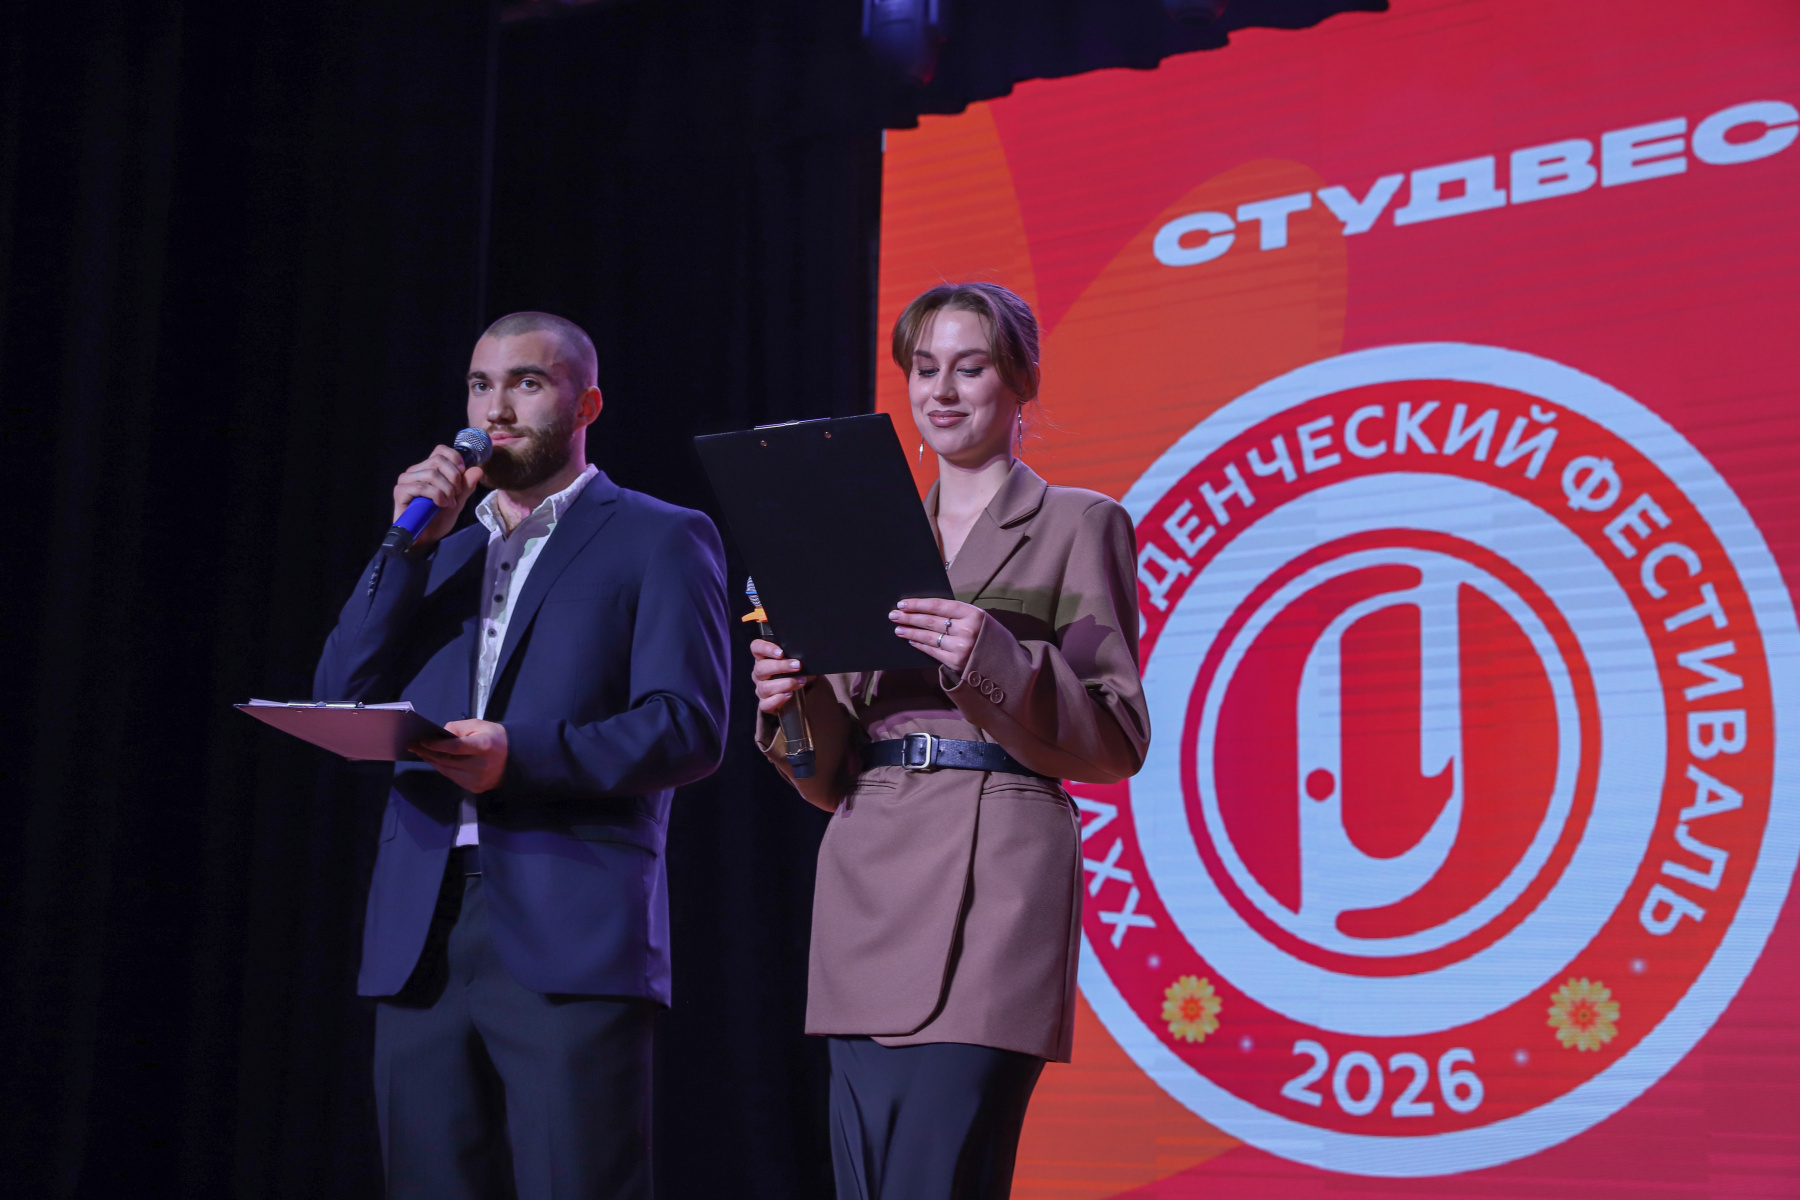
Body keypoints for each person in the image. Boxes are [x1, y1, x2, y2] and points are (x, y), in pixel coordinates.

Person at [314, 311, 731, 1200]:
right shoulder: (441, 548)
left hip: (569, 925)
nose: (494, 411)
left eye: (525, 384)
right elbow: (340, 687)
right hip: (421, 932)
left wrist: (523, 756)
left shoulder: (660, 535)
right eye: (480, 386)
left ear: (586, 405)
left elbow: (687, 726)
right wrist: (406, 546)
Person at [749, 282, 1150, 1199]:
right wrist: (787, 703)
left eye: (969, 368)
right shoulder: (862, 537)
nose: (942, 390)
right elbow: (827, 773)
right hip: (867, 876)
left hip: (995, 879)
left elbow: (1116, 738)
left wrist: (991, 654)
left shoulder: (1079, 523)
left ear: (1021, 381)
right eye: (924, 368)